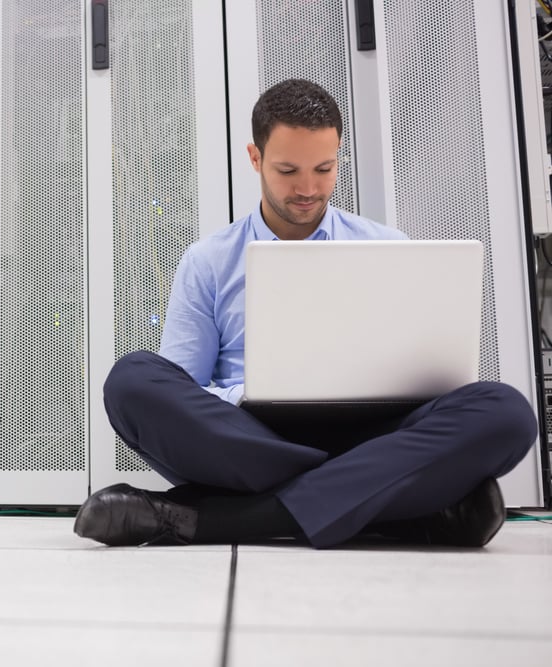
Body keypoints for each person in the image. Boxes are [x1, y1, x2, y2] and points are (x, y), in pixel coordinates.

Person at [74, 79, 538, 549]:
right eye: (288, 170)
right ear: (255, 159)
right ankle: (391, 504)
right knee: (131, 380)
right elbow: (181, 387)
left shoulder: (388, 248)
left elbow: (432, 381)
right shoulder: (208, 260)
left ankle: (222, 518)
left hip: (373, 434)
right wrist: (246, 395)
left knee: (505, 412)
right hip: (251, 439)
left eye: (324, 168)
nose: (308, 188)